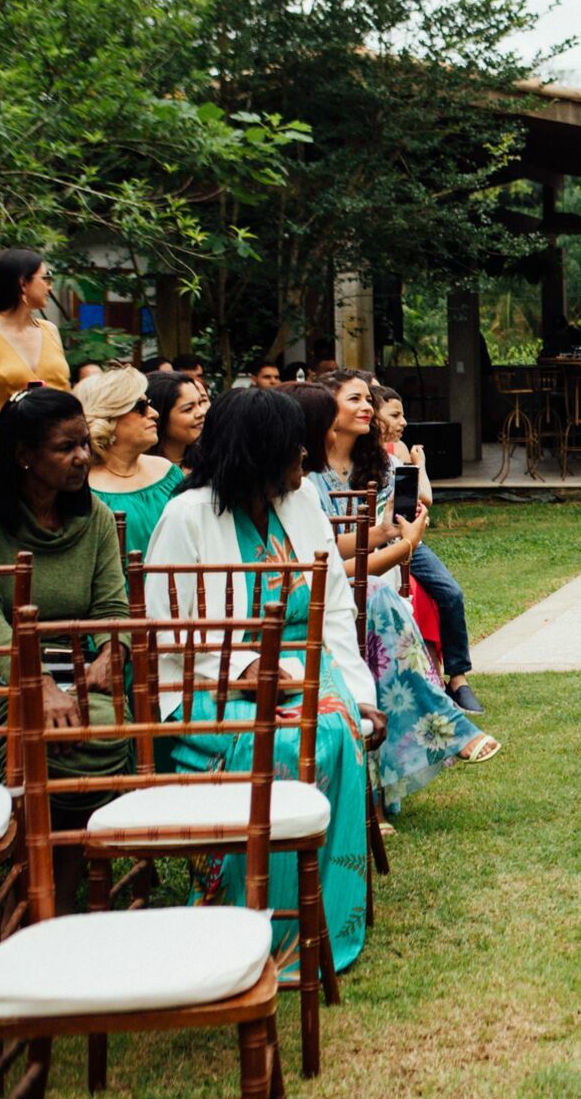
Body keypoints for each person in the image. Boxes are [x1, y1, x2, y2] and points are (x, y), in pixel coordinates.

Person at [145, 386, 377, 970]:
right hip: (209, 686)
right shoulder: (186, 518)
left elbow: (338, 612)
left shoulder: (299, 507)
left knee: (331, 731)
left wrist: (361, 691)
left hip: (308, 671)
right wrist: (251, 669)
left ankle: (317, 920)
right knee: (279, 740)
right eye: (293, 451)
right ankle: (244, 912)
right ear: (257, 455)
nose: (307, 461)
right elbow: (166, 632)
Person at [286, 379, 498, 811]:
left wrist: (388, 532)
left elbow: (329, 552)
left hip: (360, 573)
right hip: (324, 598)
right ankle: (444, 723)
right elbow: (331, 574)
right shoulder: (302, 486)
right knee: (379, 597)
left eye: (370, 400)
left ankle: (453, 688)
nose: (370, 408)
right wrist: (400, 545)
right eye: (353, 401)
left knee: (435, 593)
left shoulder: (370, 462)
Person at [0, 389, 133, 913]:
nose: (83, 456)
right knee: (46, 736)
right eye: (66, 447)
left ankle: (57, 885)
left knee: (98, 733)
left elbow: (114, 609)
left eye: (85, 442)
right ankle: (42, 886)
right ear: (22, 455)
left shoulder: (95, 517)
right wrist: (33, 681)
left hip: (72, 673)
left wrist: (112, 652)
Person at [372, 382, 478, 712]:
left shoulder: (398, 453)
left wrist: (420, 465)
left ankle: (457, 678)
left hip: (406, 541)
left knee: (451, 593)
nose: (403, 421)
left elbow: (425, 498)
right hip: (377, 544)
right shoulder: (363, 459)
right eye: (395, 415)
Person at [0, 249, 71, 447]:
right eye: (46, 278)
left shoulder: (50, 330)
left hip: (57, 450)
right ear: (23, 283)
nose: (50, 287)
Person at [76, 366, 183, 558]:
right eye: (141, 407)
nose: (154, 413)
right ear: (109, 416)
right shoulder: (78, 485)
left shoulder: (168, 473)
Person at [145, 369, 208, 470]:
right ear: (158, 414)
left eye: (200, 403)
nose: (201, 412)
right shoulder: (143, 472)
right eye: (188, 409)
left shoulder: (212, 462)